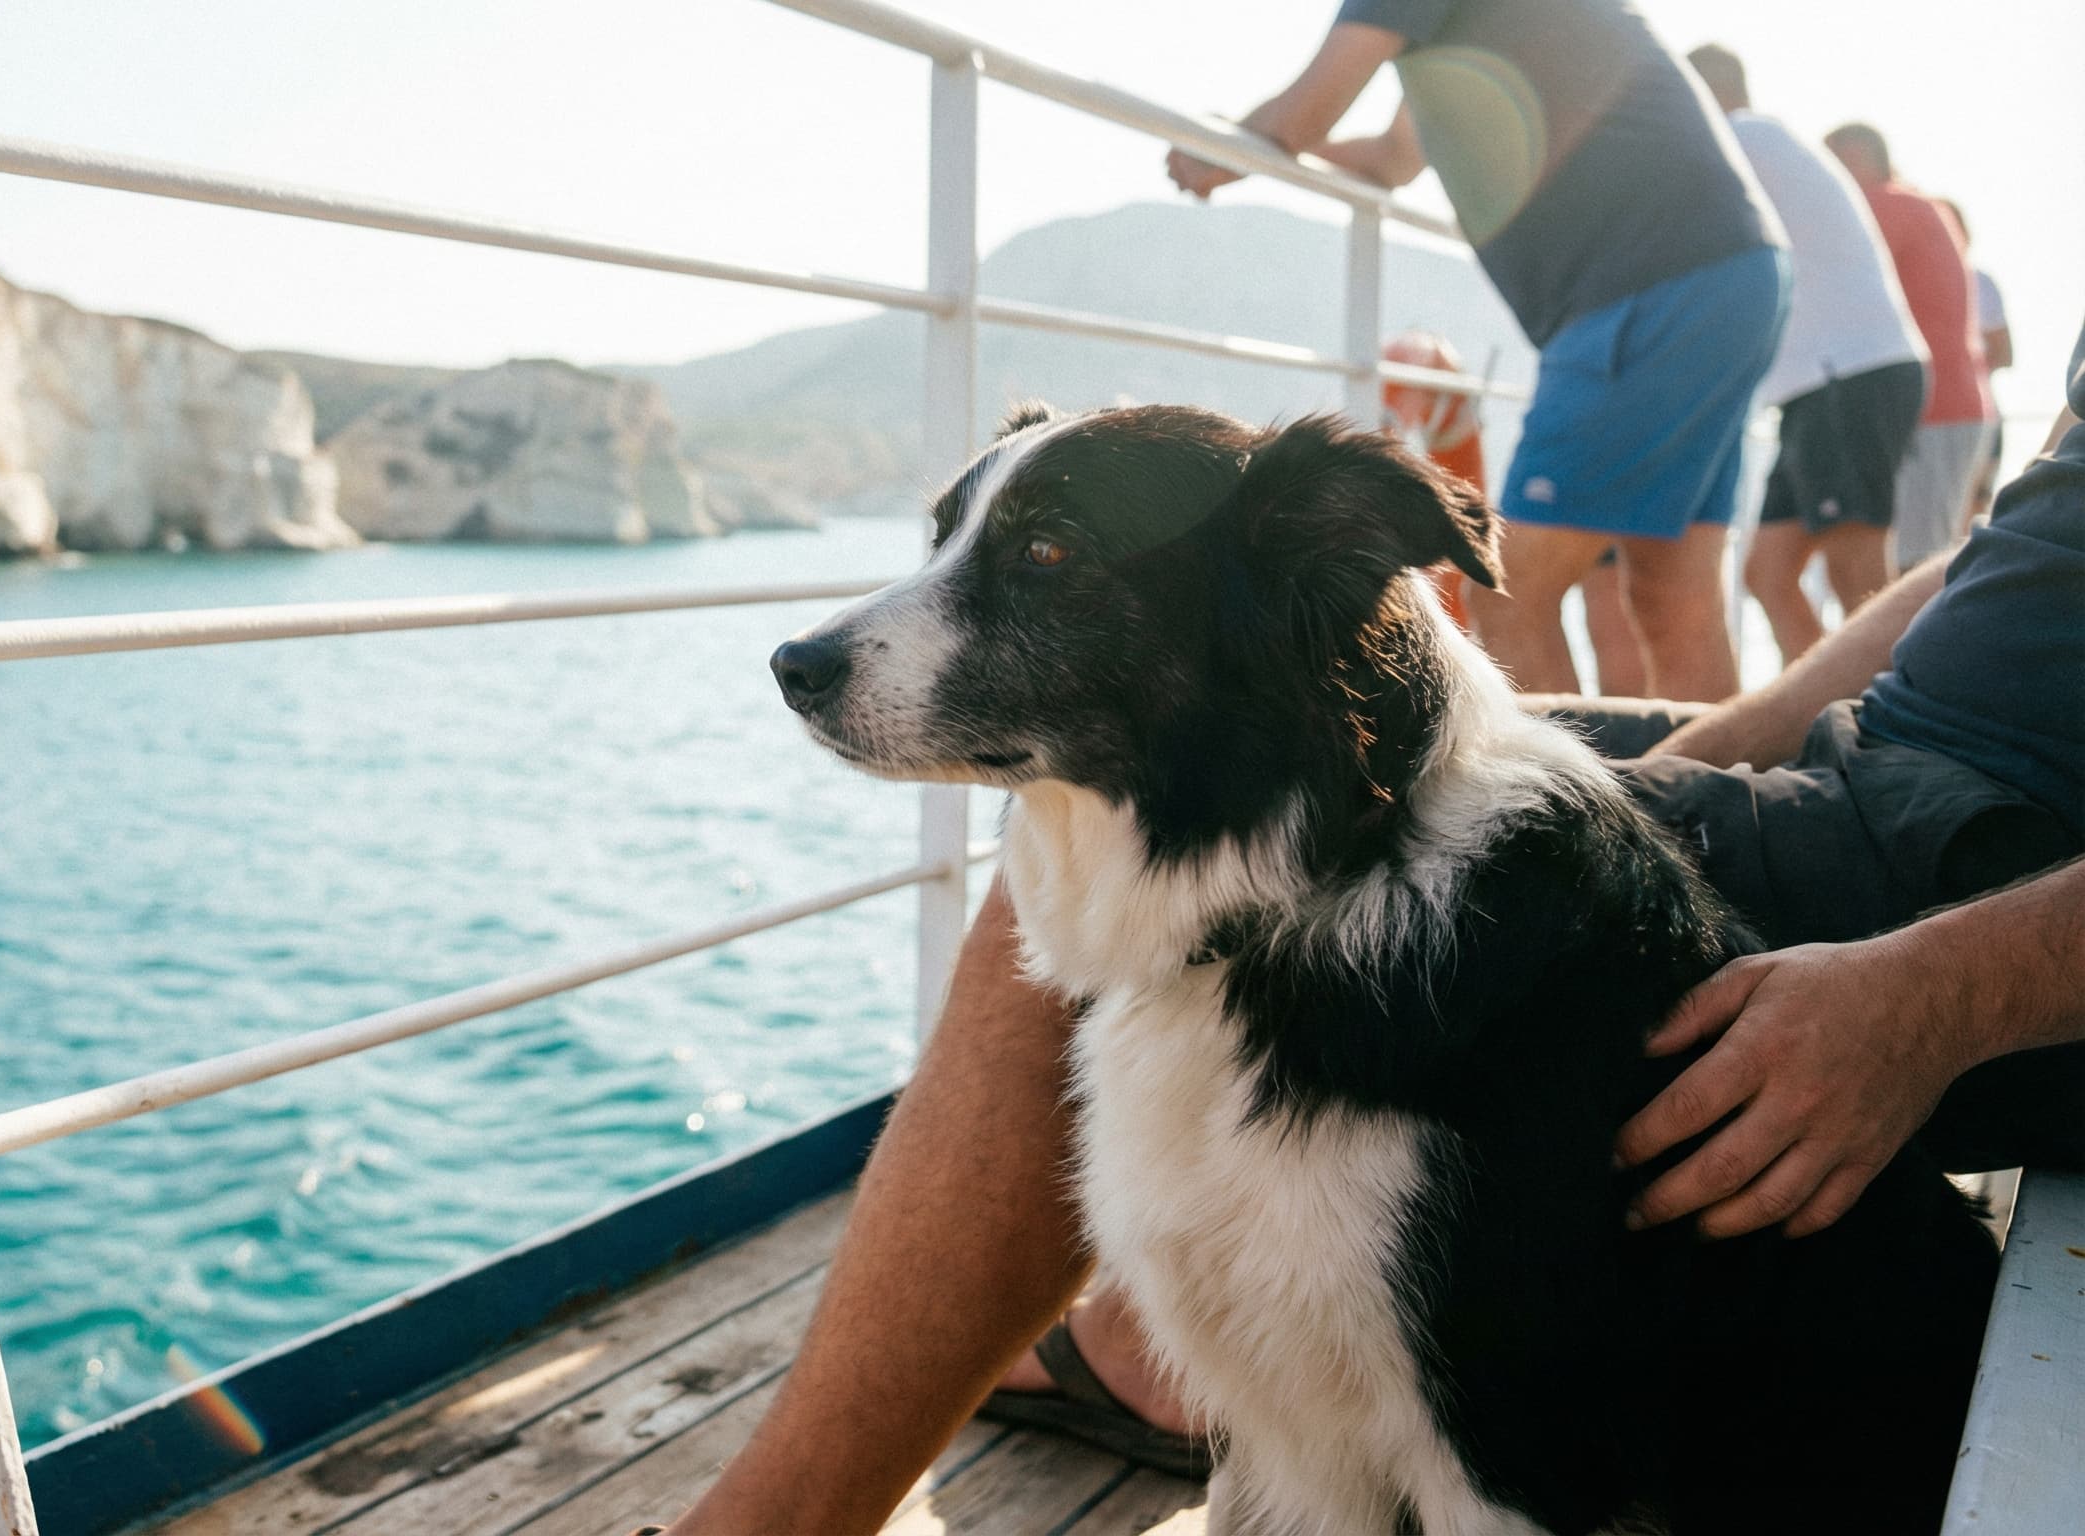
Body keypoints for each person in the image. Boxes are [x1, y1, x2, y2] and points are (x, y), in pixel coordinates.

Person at [660, 321, 2085, 1535]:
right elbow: (2012, 541)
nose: (850, 635)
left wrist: (1942, 988)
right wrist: (1707, 760)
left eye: (1034, 556)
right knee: (1080, 824)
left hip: (2007, 879)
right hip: (1875, 767)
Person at [1162, 0, 1785, 704]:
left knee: (1507, 590)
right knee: (1674, 593)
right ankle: (1722, 801)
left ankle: (1569, 817)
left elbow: (1302, 114)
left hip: (1647, 283)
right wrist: (1270, 144)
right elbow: (1393, 160)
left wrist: (1219, 147)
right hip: (1728, 271)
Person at [1684, 45, 1927, 663]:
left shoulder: (1743, 138)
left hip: (1847, 374)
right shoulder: (1767, 143)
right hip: (1820, 385)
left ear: (1701, 93)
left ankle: (1899, 724)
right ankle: (1823, 715)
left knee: (1859, 576)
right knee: (1767, 575)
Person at [1824, 123, 1992, 570]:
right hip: (1954, 407)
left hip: (1933, 411)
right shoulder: (1918, 205)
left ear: (1855, 160)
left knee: (1916, 564)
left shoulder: (1884, 207)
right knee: (1924, 556)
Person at [1946, 200, 2015, 525]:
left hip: (1975, 414)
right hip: (1947, 417)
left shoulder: (1980, 282)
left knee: (1974, 510)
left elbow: (2005, 354)